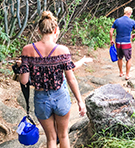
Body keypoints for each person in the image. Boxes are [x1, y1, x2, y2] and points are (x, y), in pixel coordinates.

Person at [18, 11, 91, 148]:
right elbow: (71, 79)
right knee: (63, 135)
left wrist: (22, 66)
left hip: (41, 99)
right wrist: (80, 101)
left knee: (51, 138)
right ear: (55, 30)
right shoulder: (63, 50)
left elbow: (24, 81)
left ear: (39, 30)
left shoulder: (27, 50)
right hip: (60, 96)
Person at [110, 7, 135, 80]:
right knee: (128, 59)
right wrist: (133, 35)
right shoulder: (132, 22)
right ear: (130, 13)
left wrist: (111, 40)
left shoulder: (117, 21)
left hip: (118, 42)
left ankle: (121, 72)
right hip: (126, 42)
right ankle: (127, 75)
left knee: (120, 58)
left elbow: (111, 32)